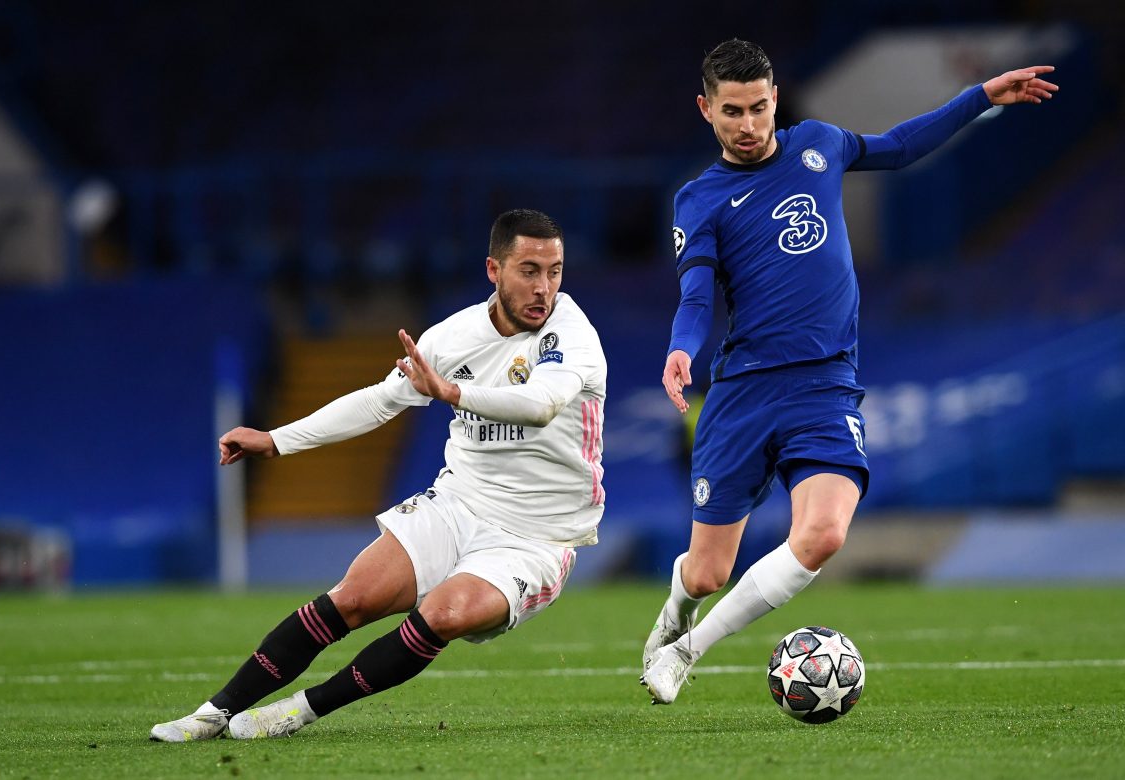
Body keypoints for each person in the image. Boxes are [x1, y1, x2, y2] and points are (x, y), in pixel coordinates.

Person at [641, 39, 1058, 704]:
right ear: (705, 109)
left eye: (758, 107)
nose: (748, 124)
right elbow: (695, 297)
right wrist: (680, 347)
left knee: (824, 534)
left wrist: (980, 98)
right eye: (732, 112)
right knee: (705, 574)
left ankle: (686, 652)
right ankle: (677, 609)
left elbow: (901, 146)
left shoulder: (819, 143)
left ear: (775, 99)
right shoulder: (700, 198)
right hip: (744, 391)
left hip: (825, 385)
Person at [150, 208, 606, 741]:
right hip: (460, 503)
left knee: (445, 613)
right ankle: (212, 713)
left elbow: (542, 404)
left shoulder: (571, 333)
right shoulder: (452, 337)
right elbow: (378, 402)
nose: (544, 288)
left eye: (554, 271)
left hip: (537, 536)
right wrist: (277, 440)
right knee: (354, 597)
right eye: (529, 270)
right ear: (493, 270)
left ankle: (300, 710)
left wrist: (451, 392)